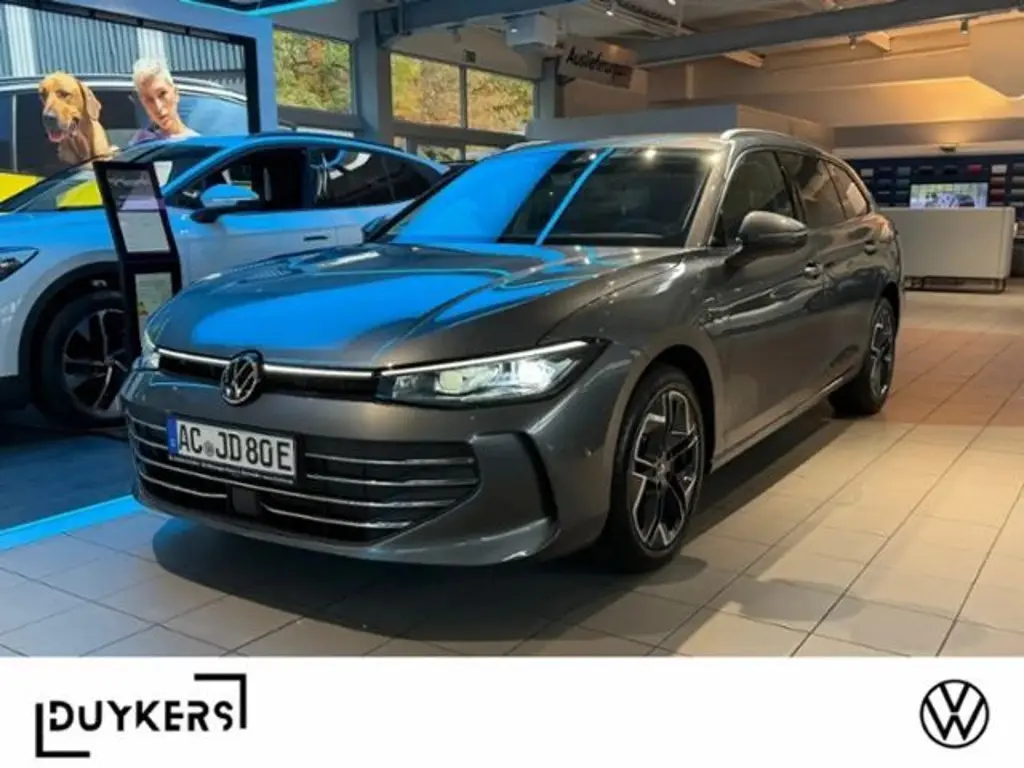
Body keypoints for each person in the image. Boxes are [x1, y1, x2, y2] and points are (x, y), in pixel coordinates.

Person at [129, 58, 199, 145]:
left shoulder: (197, 144)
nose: (158, 107)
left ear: (175, 94)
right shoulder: (141, 143)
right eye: (149, 99)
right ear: (144, 104)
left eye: (162, 94)